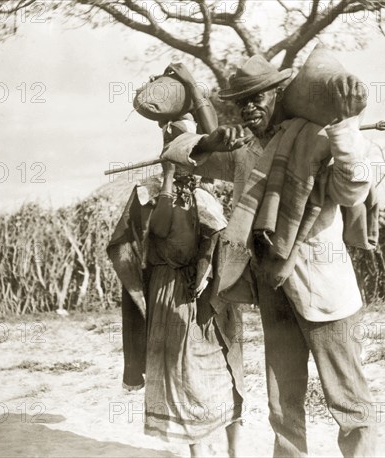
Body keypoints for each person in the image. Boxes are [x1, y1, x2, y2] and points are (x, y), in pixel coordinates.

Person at [161, 54, 377, 457]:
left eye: (259, 97)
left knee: (349, 402)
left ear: (281, 94)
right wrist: (209, 140)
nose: (249, 107)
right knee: (283, 406)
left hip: (323, 291)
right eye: (242, 101)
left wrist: (344, 130)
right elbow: (175, 155)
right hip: (270, 286)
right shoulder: (243, 151)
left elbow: (353, 190)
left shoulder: (317, 138)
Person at [108, 63, 244, 457]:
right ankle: (198, 454)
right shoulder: (150, 193)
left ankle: (235, 452)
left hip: (211, 295)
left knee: (225, 372)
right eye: (176, 139)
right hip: (170, 296)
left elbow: (213, 137)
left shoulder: (207, 192)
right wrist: (168, 180)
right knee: (185, 377)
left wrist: (191, 87)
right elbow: (146, 237)